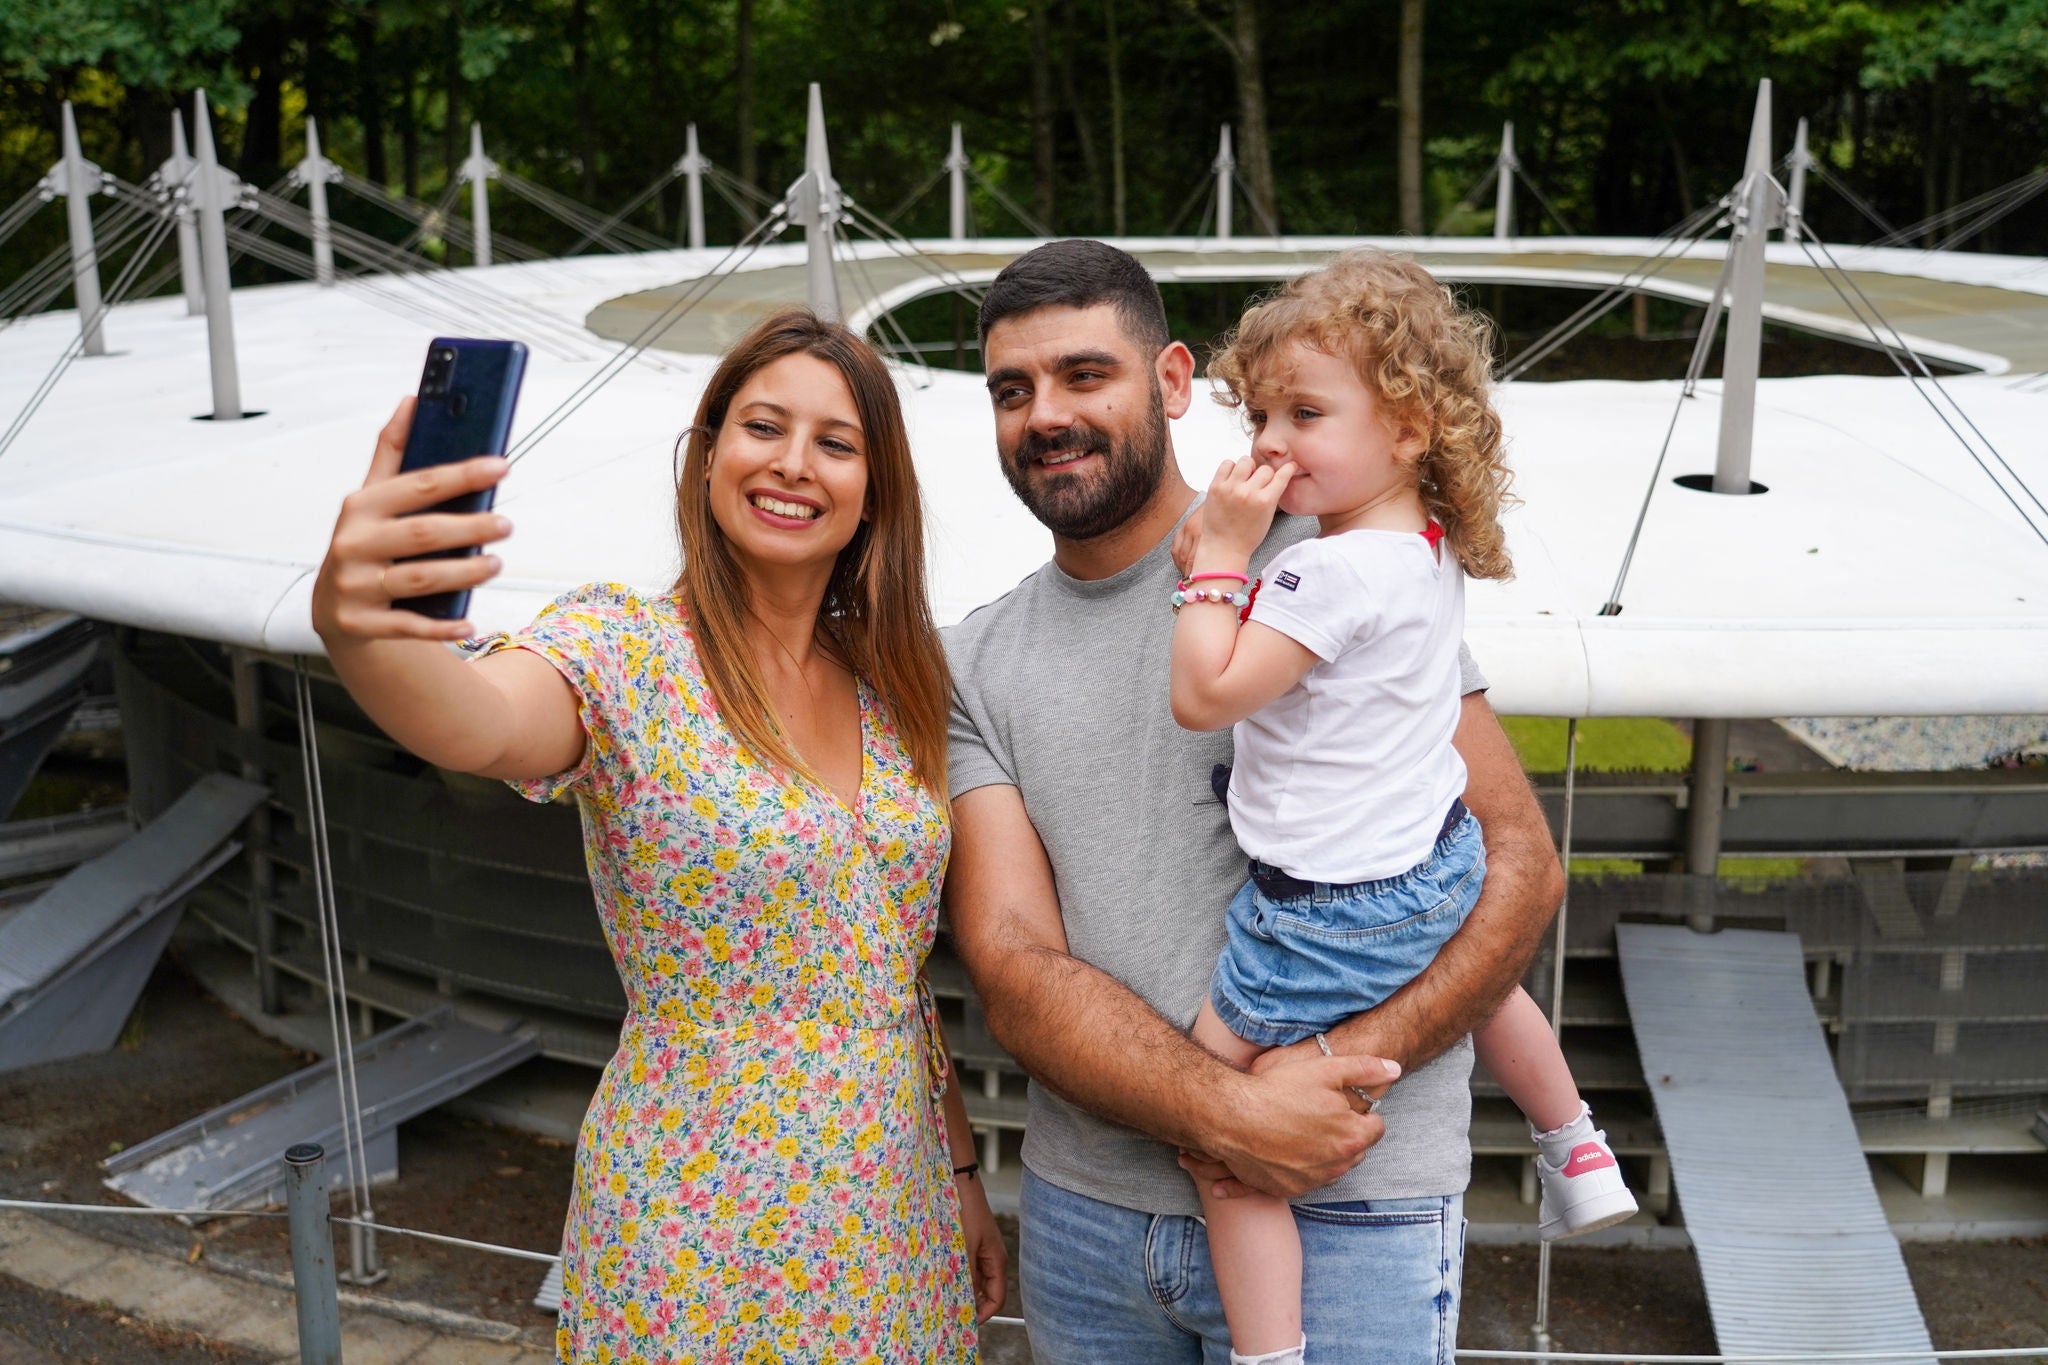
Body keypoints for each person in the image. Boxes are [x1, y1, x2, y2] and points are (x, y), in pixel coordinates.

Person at [310, 310, 1005, 1363]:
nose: (791, 464)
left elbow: (889, 975)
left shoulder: (888, 683)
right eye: (762, 427)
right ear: (710, 451)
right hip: (700, 1219)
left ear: (873, 491)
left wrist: (958, 1175)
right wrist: (362, 627)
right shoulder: (627, 651)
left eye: (835, 441)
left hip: (892, 1214)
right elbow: (474, 719)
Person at [942, 238, 1566, 1365]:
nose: (1045, 415)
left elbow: (1516, 864)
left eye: (1086, 375)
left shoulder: (1337, 556)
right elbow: (1013, 964)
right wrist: (1232, 1117)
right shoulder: (975, 663)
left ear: (1173, 383)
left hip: (1353, 1195)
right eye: (1010, 389)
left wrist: (1327, 1086)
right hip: (1088, 1220)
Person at [1168, 250, 1636, 1364]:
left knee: (1211, 1128)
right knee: (1477, 987)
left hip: (1321, 910)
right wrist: (1236, 550)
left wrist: (1218, 564)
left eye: (1306, 413)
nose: (1271, 440)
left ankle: (1266, 1350)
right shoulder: (1419, 553)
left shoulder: (1317, 574)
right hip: (1433, 860)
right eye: (1262, 413)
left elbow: (1204, 692)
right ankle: (1573, 1143)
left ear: (1410, 428)